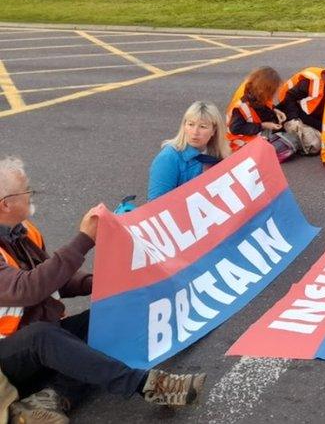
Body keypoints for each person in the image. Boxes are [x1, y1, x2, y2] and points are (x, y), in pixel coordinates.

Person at [0, 157, 206, 423]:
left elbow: (53, 279)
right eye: (27, 191)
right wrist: (84, 239)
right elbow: (27, 289)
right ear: (6, 203)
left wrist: (101, 282)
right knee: (44, 336)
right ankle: (149, 385)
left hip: (33, 340)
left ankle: (49, 398)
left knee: (105, 319)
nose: (31, 195)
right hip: (8, 358)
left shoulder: (23, 231)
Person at [147, 101, 230, 201]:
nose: (195, 132)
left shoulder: (222, 156)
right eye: (191, 124)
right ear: (184, 126)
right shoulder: (168, 158)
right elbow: (156, 204)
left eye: (202, 126)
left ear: (214, 131)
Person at [277, 50, 325, 131]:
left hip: (303, 104)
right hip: (286, 103)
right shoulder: (311, 83)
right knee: (313, 132)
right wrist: (294, 118)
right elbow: (290, 97)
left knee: (322, 126)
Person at [226, 66, 285, 152]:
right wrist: (263, 125)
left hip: (251, 133)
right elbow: (236, 129)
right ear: (263, 89)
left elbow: (265, 106)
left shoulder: (256, 92)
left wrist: (275, 111)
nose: (273, 94)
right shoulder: (241, 106)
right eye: (272, 91)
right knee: (269, 149)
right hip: (237, 140)